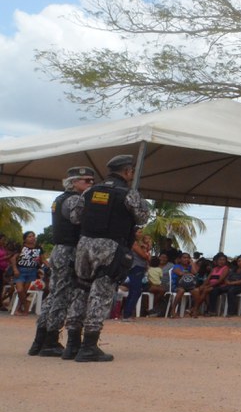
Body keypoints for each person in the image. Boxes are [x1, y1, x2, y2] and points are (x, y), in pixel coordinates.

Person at [73, 154, 151, 362]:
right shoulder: (128, 193)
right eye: (131, 171)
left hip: (84, 244)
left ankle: (72, 344)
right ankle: (88, 346)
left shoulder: (90, 190)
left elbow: (75, 217)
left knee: (81, 291)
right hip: (109, 247)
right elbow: (143, 217)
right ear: (126, 172)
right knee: (101, 294)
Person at [28, 165, 94, 357]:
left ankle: (39, 340)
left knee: (54, 294)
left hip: (59, 250)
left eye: (91, 180)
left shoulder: (59, 199)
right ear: (74, 182)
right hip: (69, 250)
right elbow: (79, 221)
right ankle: (50, 342)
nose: (91, 184)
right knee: (62, 296)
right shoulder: (75, 200)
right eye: (86, 181)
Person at [121, 230, 151, 321]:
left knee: (135, 291)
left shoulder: (137, 244)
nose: (141, 234)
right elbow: (144, 256)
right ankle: (127, 314)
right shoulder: (134, 244)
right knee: (135, 291)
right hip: (136, 267)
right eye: (139, 232)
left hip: (139, 268)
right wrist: (146, 253)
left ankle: (128, 313)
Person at [12, 230, 43, 315]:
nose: (32, 238)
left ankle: (19, 309)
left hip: (32, 271)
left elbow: (42, 260)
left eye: (33, 236)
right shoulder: (21, 247)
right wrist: (15, 269)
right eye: (29, 236)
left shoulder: (38, 248)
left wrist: (46, 265)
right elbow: (13, 258)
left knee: (24, 291)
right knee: (20, 290)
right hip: (20, 270)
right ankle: (26, 304)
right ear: (25, 239)